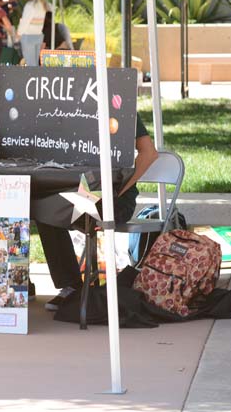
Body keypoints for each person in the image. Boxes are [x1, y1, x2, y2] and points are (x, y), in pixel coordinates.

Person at [35, 115, 159, 310]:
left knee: (54, 211)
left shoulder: (120, 105)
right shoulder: (67, 106)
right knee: (43, 208)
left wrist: (119, 189)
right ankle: (72, 286)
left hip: (115, 198)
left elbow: (149, 153)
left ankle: (77, 289)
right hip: (80, 190)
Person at [17, 0, 52, 66]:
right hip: (38, 36)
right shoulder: (43, 4)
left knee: (30, 63)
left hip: (28, 37)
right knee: (35, 62)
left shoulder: (30, 5)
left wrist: (18, 34)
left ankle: (31, 77)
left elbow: (25, 23)